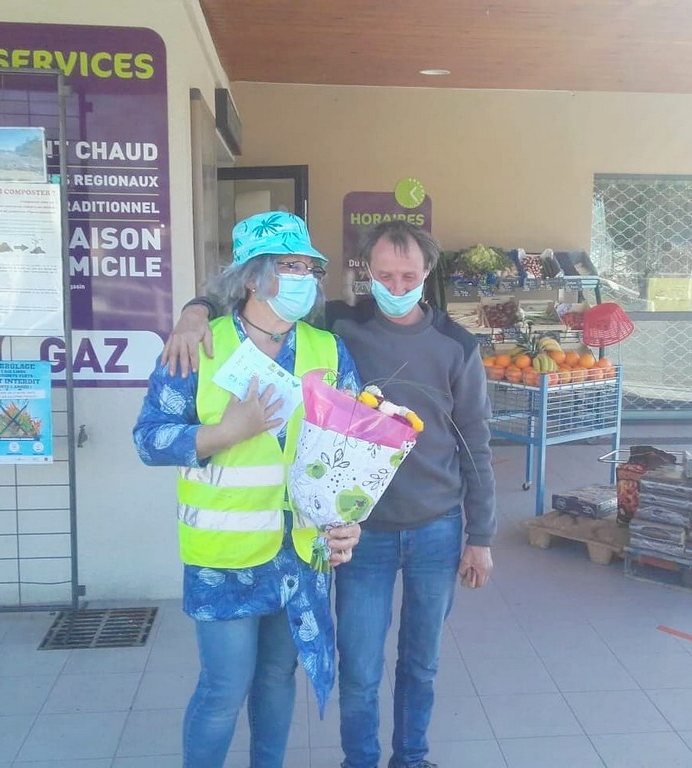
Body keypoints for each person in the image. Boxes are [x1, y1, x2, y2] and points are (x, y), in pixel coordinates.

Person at [164, 220, 496, 768]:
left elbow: (475, 443)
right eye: (384, 275)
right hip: (354, 535)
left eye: (408, 276)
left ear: (427, 273)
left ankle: (411, 759)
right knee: (355, 669)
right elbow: (250, 298)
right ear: (365, 273)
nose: (396, 286)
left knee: (417, 663)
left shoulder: (452, 345)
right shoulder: (337, 324)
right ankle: (359, 761)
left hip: (432, 526)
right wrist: (194, 310)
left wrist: (480, 535)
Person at [133, 210, 363, 768]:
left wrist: (349, 518)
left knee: (278, 679)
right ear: (254, 276)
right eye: (290, 265)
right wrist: (223, 433)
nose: (305, 277)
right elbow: (148, 439)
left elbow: (353, 451)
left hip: (299, 553)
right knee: (224, 687)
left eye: (310, 267)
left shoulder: (328, 350)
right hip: (224, 555)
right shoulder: (199, 345)